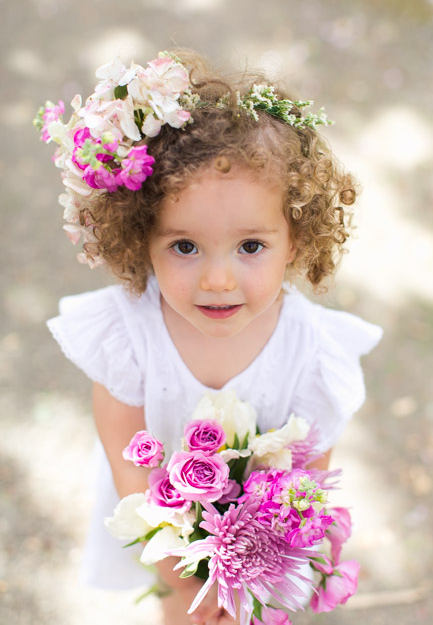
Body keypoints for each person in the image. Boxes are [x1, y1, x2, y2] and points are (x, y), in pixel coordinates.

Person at [41, 49, 382, 625]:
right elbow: (126, 458)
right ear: (140, 241)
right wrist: (178, 569)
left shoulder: (314, 352)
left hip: (258, 552)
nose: (218, 279)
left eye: (251, 246)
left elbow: (308, 482)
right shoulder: (129, 335)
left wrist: (255, 574)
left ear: (294, 240)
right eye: (184, 246)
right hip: (158, 520)